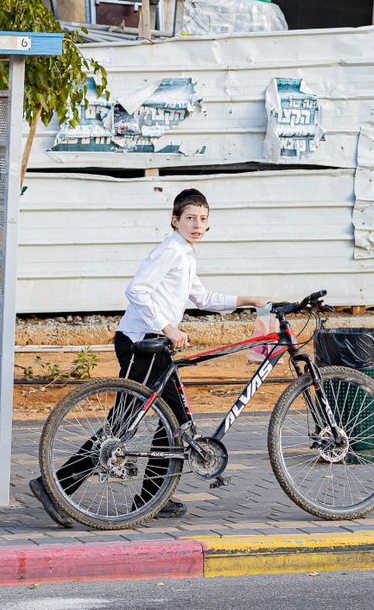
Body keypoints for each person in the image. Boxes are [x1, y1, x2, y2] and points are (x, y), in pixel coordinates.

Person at [29, 187, 275, 527]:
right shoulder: (170, 251)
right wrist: (168, 327)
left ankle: (153, 497)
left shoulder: (186, 254)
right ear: (175, 221)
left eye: (203, 219)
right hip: (140, 343)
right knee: (123, 424)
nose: (197, 224)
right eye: (190, 218)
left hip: (156, 344)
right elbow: (137, 290)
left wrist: (250, 298)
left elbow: (202, 297)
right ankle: (54, 488)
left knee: (174, 422)